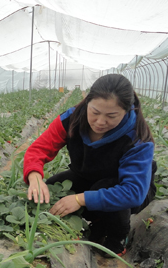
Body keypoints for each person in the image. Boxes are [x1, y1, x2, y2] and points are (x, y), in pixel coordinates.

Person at [24, 74, 156, 256]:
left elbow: (133, 192)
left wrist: (79, 199)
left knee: (105, 188)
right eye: (94, 112)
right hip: (88, 176)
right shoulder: (71, 119)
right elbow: (39, 149)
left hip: (123, 187)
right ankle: (94, 223)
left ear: (127, 110)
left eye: (111, 116)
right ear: (87, 101)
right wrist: (34, 177)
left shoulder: (137, 138)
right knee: (54, 186)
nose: (100, 122)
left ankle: (117, 238)